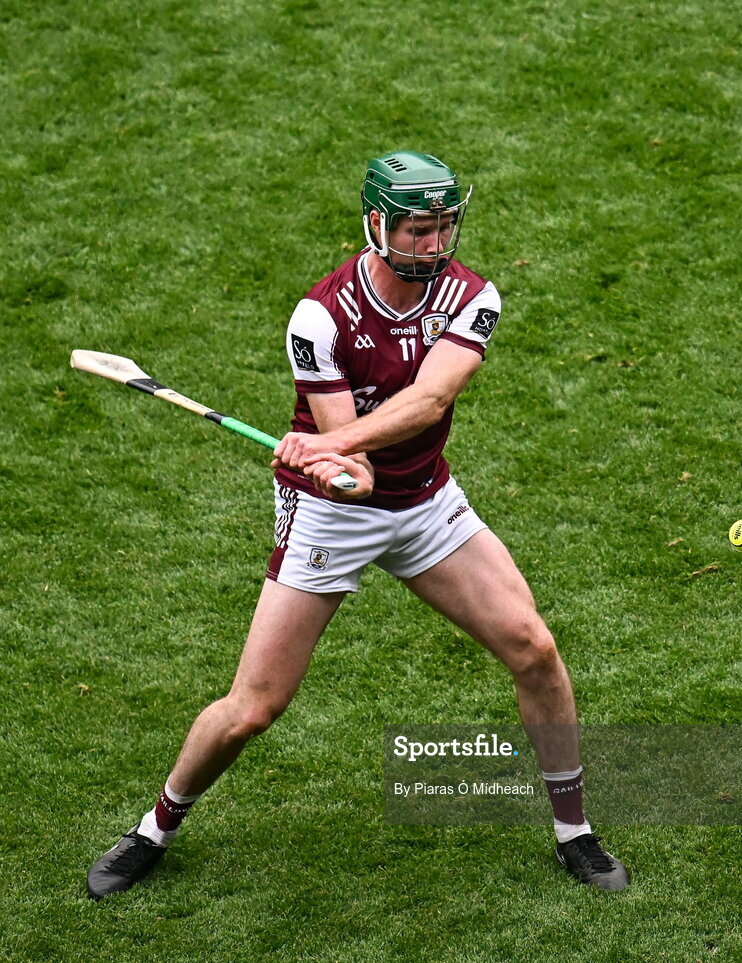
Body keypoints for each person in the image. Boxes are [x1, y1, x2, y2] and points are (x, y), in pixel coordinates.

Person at [87, 151, 630, 899]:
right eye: (416, 230)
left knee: (533, 647)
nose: (434, 245)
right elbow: (353, 481)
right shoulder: (320, 317)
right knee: (254, 710)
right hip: (331, 514)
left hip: (426, 501)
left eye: (443, 227)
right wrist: (331, 459)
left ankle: (574, 832)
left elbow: (431, 400)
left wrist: (329, 442)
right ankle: (156, 826)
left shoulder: (473, 296)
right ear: (376, 223)